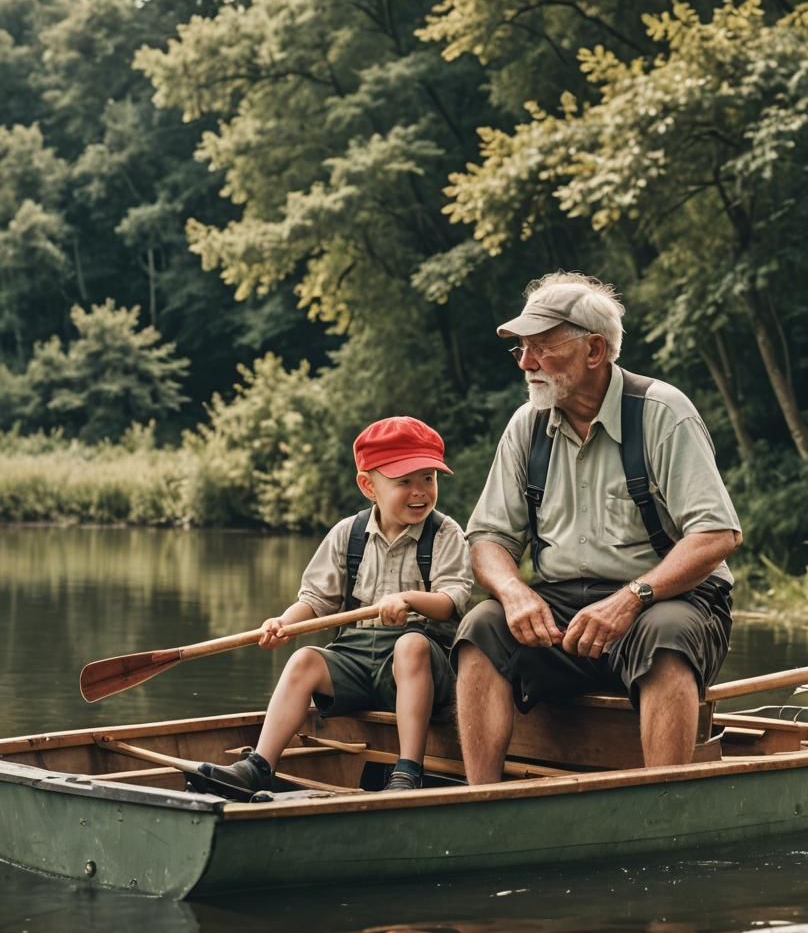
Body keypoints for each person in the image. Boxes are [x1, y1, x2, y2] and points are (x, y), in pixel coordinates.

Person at [455, 271, 742, 784]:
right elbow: (488, 539)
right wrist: (515, 593)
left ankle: (662, 808)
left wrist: (632, 598)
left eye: (542, 347)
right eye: (520, 349)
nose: (525, 363)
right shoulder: (526, 425)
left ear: (594, 350)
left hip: (667, 601)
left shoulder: (661, 412)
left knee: (666, 635)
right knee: (482, 626)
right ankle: (482, 804)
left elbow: (717, 535)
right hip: (563, 611)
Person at [198, 416, 472, 794]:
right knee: (304, 659)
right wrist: (283, 623)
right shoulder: (349, 534)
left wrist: (408, 600)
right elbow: (315, 600)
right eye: (404, 482)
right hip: (357, 661)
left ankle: (408, 771)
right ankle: (259, 765)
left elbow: (451, 601)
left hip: (421, 667)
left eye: (428, 478)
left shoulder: (445, 534)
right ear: (368, 486)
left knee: (411, 645)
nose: (419, 491)